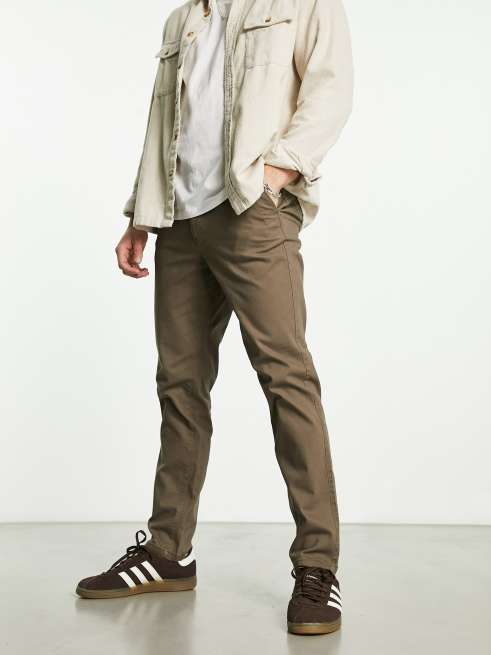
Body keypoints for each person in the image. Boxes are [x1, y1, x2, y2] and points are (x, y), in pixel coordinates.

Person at [76, 0, 353, 636]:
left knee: (286, 378)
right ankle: (168, 552)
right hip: (179, 220)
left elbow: (330, 89)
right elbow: (163, 121)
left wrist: (276, 172)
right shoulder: (183, 20)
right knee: (179, 383)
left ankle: (318, 566)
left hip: (252, 211)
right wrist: (140, 213)